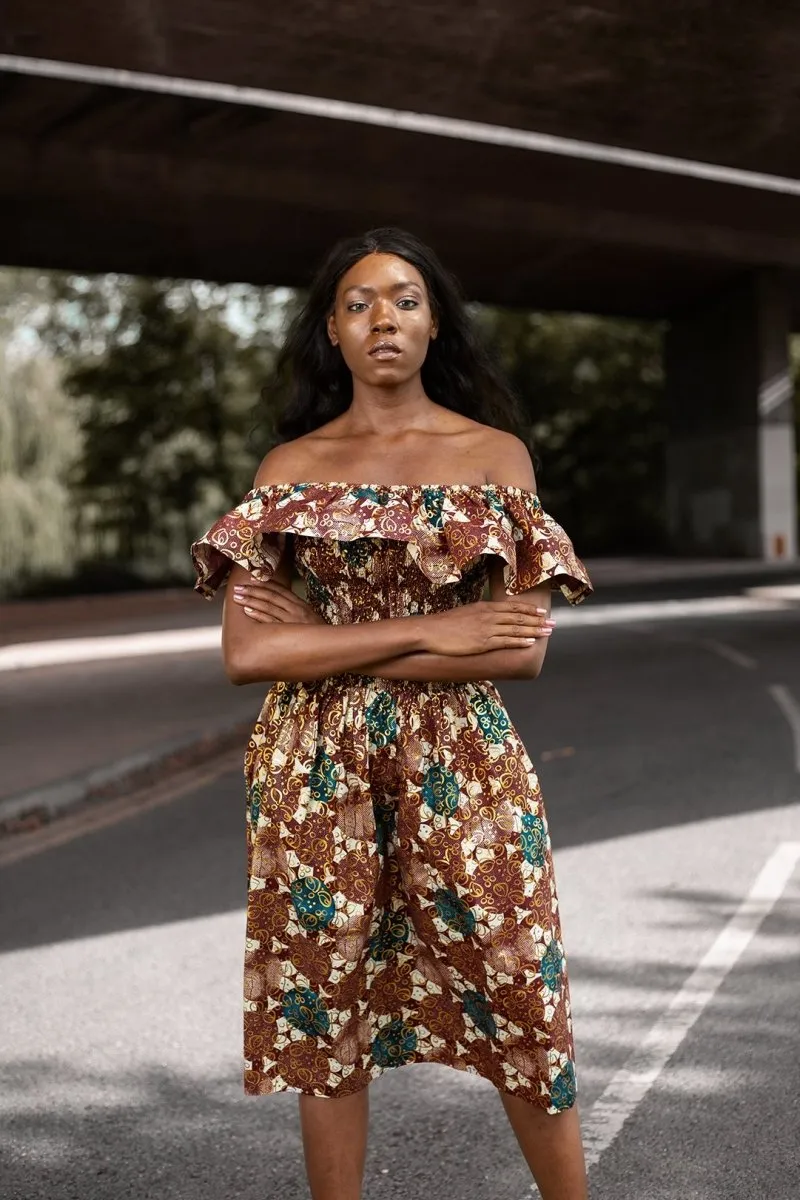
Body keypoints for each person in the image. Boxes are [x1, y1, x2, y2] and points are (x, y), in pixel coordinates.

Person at [191, 227, 593, 1200]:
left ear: (433, 322)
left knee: (516, 988)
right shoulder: (288, 470)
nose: (384, 318)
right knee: (322, 1010)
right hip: (309, 768)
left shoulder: (493, 457)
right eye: (360, 301)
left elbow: (518, 647)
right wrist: (439, 636)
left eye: (405, 299)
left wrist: (334, 642)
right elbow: (250, 653)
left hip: (463, 761)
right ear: (331, 329)